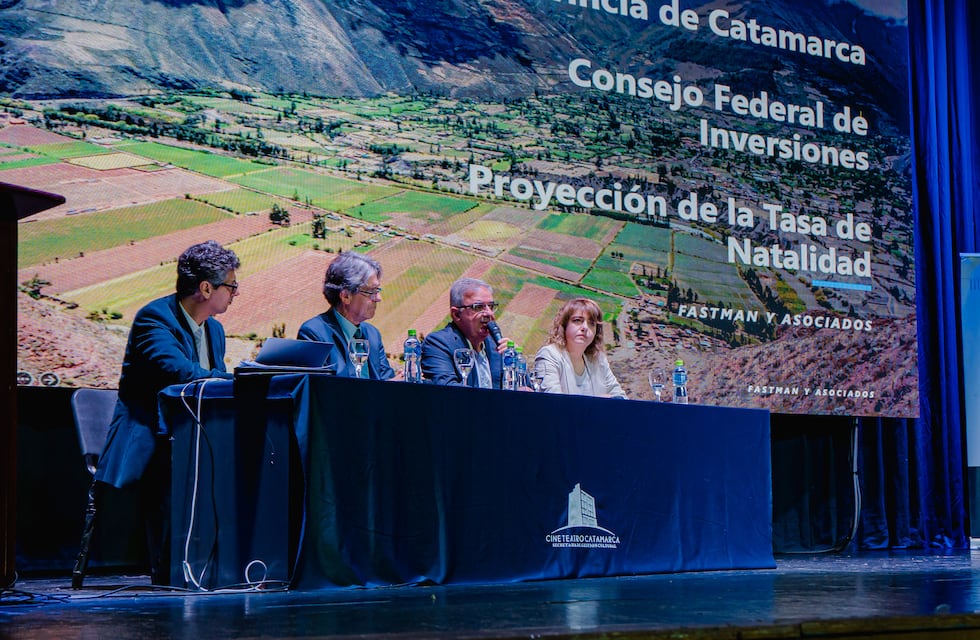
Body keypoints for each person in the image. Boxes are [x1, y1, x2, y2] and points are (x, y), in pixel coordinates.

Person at [95, 240, 241, 584]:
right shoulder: (155, 318)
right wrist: (241, 378)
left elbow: (211, 388)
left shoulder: (215, 329)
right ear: (206, 289)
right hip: (152, 434)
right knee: (176, 461)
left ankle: (228, 563)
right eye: (231, 286)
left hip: (198, 432)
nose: (236, 293)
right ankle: (172, 569)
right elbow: (180, 373)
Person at [297, 252, 395, 380]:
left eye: (377, 291)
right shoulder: (314, 334)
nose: (378, 298)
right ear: (346, 296)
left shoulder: (372, 335)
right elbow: (321, 388)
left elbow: (387, 382)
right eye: (372, 291)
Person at [421, 277, 515, 388]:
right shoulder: (438, 344)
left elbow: (525, 387)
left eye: (490, 306)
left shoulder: (497, 346)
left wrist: (516, 362)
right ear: (456, 314)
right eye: (478, 307)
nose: (489, 313)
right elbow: (447, 389)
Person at [534, 298, 627, 398]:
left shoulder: (599, 359)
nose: (585, 327)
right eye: (577, 320)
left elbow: (620, 397)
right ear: (564, 325)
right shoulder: (549, 354)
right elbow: (553, 402)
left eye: (591, 323)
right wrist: (598, 403)